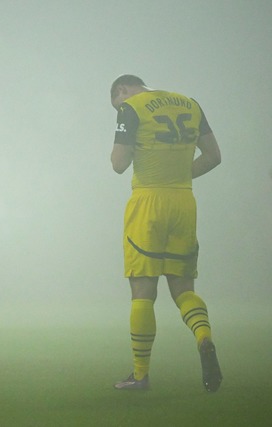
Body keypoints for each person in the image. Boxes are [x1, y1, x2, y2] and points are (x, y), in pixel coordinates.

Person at [109, 75, 222, 391]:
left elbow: (119, 163)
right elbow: (214, 156)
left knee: (143, 290)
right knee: (184, 287)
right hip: (184, 202)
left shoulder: (130, 107)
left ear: (122, 90)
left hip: (148, 203)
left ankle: (140, 374)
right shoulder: (190, 103)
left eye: (117, 103)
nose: (119, 107)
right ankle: (203, 337)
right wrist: (180, 174)